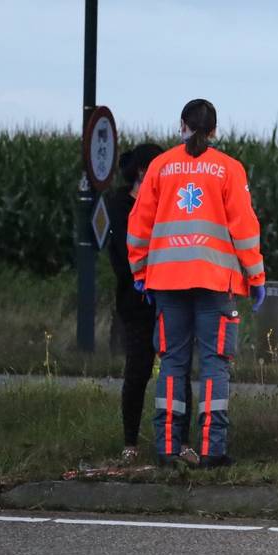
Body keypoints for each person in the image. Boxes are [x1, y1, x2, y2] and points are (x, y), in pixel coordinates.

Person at [127, 99, 266, 467]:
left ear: (181, 126)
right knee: (214, 365)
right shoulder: (229, 169)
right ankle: (211, 450)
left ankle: (168, 449)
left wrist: (141, 273)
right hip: (215, 282)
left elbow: (138, 225)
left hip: (167, 283)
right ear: (215, 130)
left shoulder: (159, 167)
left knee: (172, 364)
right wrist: (256, 278)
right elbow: (245, 229)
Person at [105, 143, 166, 464]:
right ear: (144, 170)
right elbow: (125, 252)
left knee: (174, 371)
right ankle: (130, 441)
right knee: (138, 370)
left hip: (168, 296)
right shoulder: (120, 204)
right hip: (136, 299)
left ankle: (174, 440)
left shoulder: (164, 203)